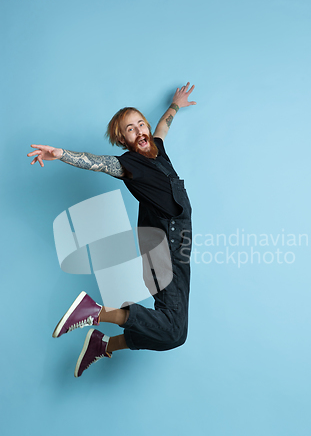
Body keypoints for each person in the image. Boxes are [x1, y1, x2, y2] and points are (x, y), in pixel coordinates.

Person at [28, 82, 196, 377]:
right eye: (130, 129)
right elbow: (98, 163)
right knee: (172, 328)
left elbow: (162, 129)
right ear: (123, 140)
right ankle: (95, 311)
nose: (140, 130)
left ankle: (103, 344)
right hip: (164, 247)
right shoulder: (129, 164)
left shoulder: (159, 152)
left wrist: (175, 106)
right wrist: (61, 153)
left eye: (140, 123)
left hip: (179, 246)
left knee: (176, 335)